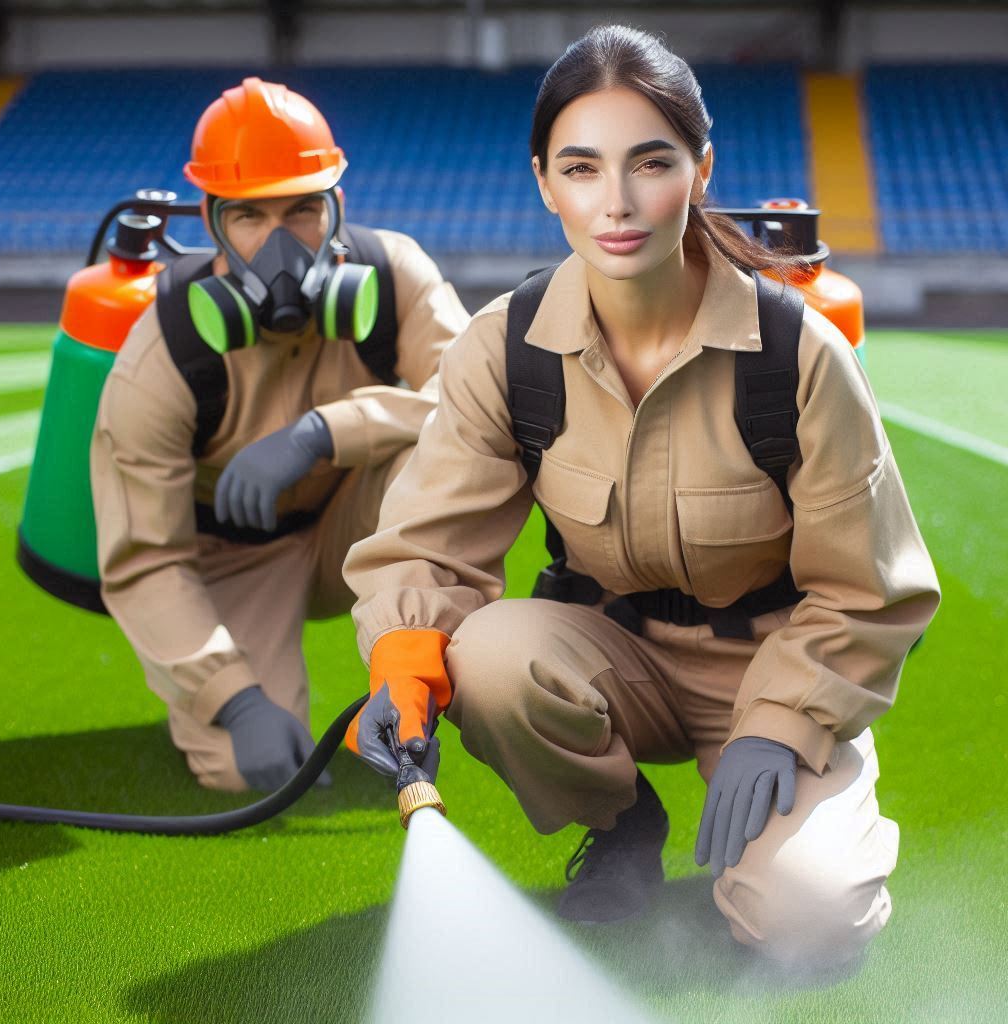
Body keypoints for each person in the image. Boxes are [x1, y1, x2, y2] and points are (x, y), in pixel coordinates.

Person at [340, 26, 940, 967]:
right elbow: (429, 545)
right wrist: (405, 665)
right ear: (545, 181)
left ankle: (783, 841)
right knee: (489, 655)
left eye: (650, 163)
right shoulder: (507, 347)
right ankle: (620, 827)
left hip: (774, 663)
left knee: (815, 928)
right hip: (610, 654)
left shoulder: (797, 355)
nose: (616, 203)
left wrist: (782, 724)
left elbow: (872, 590)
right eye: (582, 168)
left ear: (700, 169)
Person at [90, 77, 469, 794]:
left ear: (336, 209)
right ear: (211, 222)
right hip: (233, 556)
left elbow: (471, 406)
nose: (278, 242)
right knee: (244, 768)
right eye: (248, 216)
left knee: (439, 450)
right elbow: (146, 561)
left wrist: (324, 432)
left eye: (300, 210)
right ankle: (243, 703)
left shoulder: (396, 278)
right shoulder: (163, 353)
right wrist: (232, 698)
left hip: (359, 528)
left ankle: (415, 672)